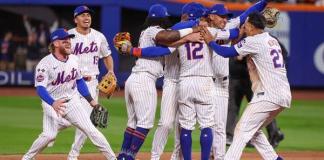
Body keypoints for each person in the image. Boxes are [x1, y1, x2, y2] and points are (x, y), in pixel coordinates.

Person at [202, 12, 291, 160]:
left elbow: (226, 52)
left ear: (250, 25)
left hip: (268, 95)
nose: (244, 27)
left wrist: (211, 41)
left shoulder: (254, 41)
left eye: (246, 24)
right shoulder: (271, 40)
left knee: (241, 130)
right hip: (283, 94)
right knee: (253, 131)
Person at [117, 4, 199, 160]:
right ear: (163, 19)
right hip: (144, 80)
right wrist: (190, 31)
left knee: (133, 123)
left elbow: (169, 38)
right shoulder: (154, 31)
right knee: (145, 124)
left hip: (134, 79)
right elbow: (167, 41)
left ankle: (123, 155)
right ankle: (128, 157)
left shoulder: (146, 32)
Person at [21, 28, 116, 160]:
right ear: (55, 44)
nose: (68, 42)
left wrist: (92, 101)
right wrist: (52, 103)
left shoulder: (73, 59)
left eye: (69, 39)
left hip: (72, 101)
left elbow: (79, 81)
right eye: (64, 40)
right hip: (51, 102)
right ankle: (27, 157)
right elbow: (40, 88)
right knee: (49, 135)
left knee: (91, 130)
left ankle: (112, 158)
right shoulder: (45, 64)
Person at [66, 5, 115, 160]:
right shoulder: (68, 36)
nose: (86, 17)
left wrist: (111, 71)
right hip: (70, 84)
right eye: (82, 15)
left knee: (86, 122)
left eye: (88, 15)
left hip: (91, 83)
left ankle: (73, 155)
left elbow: (107, 56)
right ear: (75, 19)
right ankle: (43, 142)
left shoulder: (99, 36)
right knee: (61, 121)